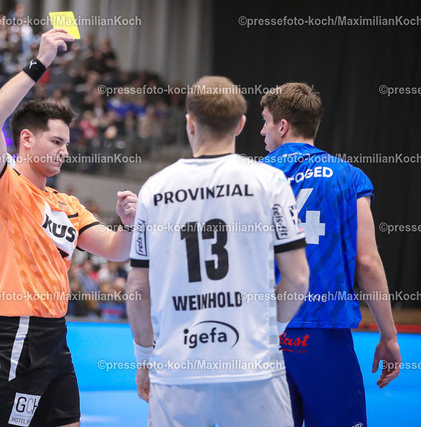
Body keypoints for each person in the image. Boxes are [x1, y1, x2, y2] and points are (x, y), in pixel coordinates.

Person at [0, 29, 137, 427]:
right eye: (57, 141)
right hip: (9, 334)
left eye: (67, 143)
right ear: (26, 140)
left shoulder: (68, 204)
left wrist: (128, 224)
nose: (65, 151)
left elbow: (116, 249)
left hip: (54, 337)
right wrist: (40, 62)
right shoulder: (2, 185)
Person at [126, 76, 309, 427]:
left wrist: (144, 357)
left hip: (177, 370)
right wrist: (272, 330)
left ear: (190, 123)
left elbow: (137, 288)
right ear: (240, 125)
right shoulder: (269, 182)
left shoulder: (154, 189)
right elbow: (298, 278)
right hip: (253, 366)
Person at [259, 82, 401, 427]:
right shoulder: (348, 177)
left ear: (282, 126)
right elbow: (367, 262)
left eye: (265, 121)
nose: (262, 131)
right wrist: (389, 335)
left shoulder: (252, 178)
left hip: (264, 332)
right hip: (324, 331)